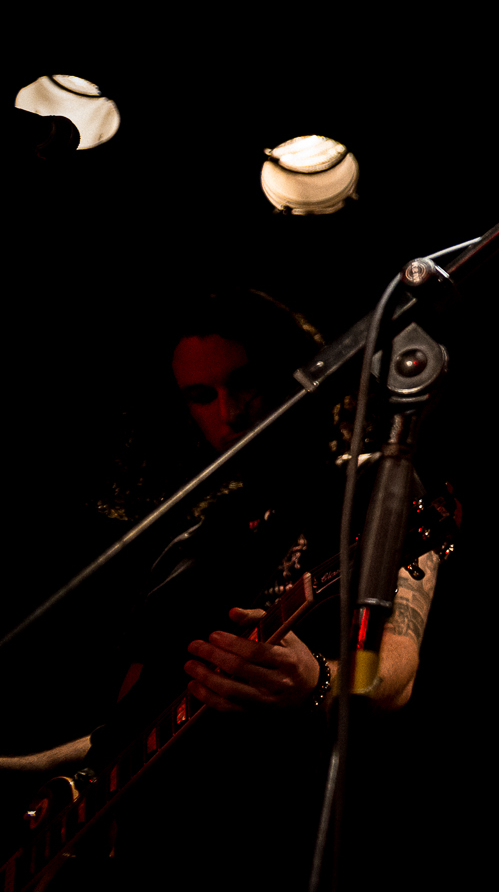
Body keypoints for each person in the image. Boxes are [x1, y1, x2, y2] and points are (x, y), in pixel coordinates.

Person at [0, 291, 441, 881]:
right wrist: (17, 768)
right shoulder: (188, 547)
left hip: (274, 845)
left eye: (245, 382)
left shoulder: (369, 486)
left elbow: (394, 675)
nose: (229, 411)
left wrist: (319, 681)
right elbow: (124, 737)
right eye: (201, 396)